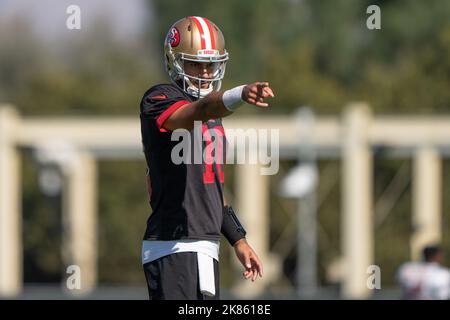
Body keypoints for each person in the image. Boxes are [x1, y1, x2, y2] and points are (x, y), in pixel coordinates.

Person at [139, 16, 275, 300]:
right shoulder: (159, 98)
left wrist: (238, 239)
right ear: (175, 61)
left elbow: (213, 189)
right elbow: (193, 112)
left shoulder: (213, 119)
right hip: (173, 244)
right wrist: (238, 95)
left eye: (209, 64)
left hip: (204, 245)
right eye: (194, 63)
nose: (203, 72)